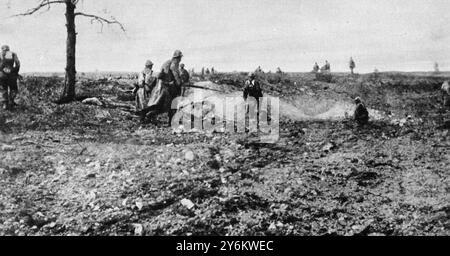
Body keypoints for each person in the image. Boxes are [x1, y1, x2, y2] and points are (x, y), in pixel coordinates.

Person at [139, 50, 184, 125]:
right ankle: (145, 115)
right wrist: (179, 83)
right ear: (177, 58)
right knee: (164, 105)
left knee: (159, 105)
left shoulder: (168, 62)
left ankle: (145, 115)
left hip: (162, 87)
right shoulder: (173, 64)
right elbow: (176, 76)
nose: (180, 60)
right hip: (165, 88)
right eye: (180, 58)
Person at [0, 45, 21, 110]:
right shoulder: (13, 54)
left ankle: (5, 104)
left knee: (3, 89)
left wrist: (2, 70)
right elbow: (18, 64)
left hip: (2, 75)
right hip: (12, 75)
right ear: (9, 49)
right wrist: (14, 71)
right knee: (13, 88)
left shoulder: (0, 54)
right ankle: (12, 102)